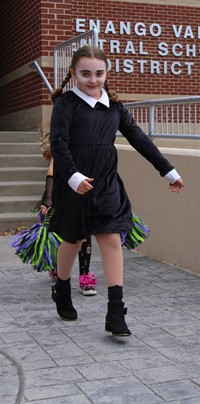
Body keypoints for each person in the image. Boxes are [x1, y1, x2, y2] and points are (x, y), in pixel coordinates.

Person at [49, 45, 184, 337]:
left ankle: (115, 311)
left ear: (106, 73)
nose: (93, 79)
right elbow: (58, 144)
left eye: (99, 73)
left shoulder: (115, 107)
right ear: (73, 74)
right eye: (85, 74)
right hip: (73, 183)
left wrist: (167, 170)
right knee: (73, 240)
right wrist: (72, 176)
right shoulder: (66, 104)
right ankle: (61, 287)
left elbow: (139, 138)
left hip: (106, 183)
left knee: (110, 237)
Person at [12, 136, 98, 296]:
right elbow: (51, 174)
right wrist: (47, 200)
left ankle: (85, 277)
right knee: (61, 237)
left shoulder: (88, 146)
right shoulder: (61, 150)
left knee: (84, 234)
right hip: (61, 199)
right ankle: (56, 266)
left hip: (82, 196)